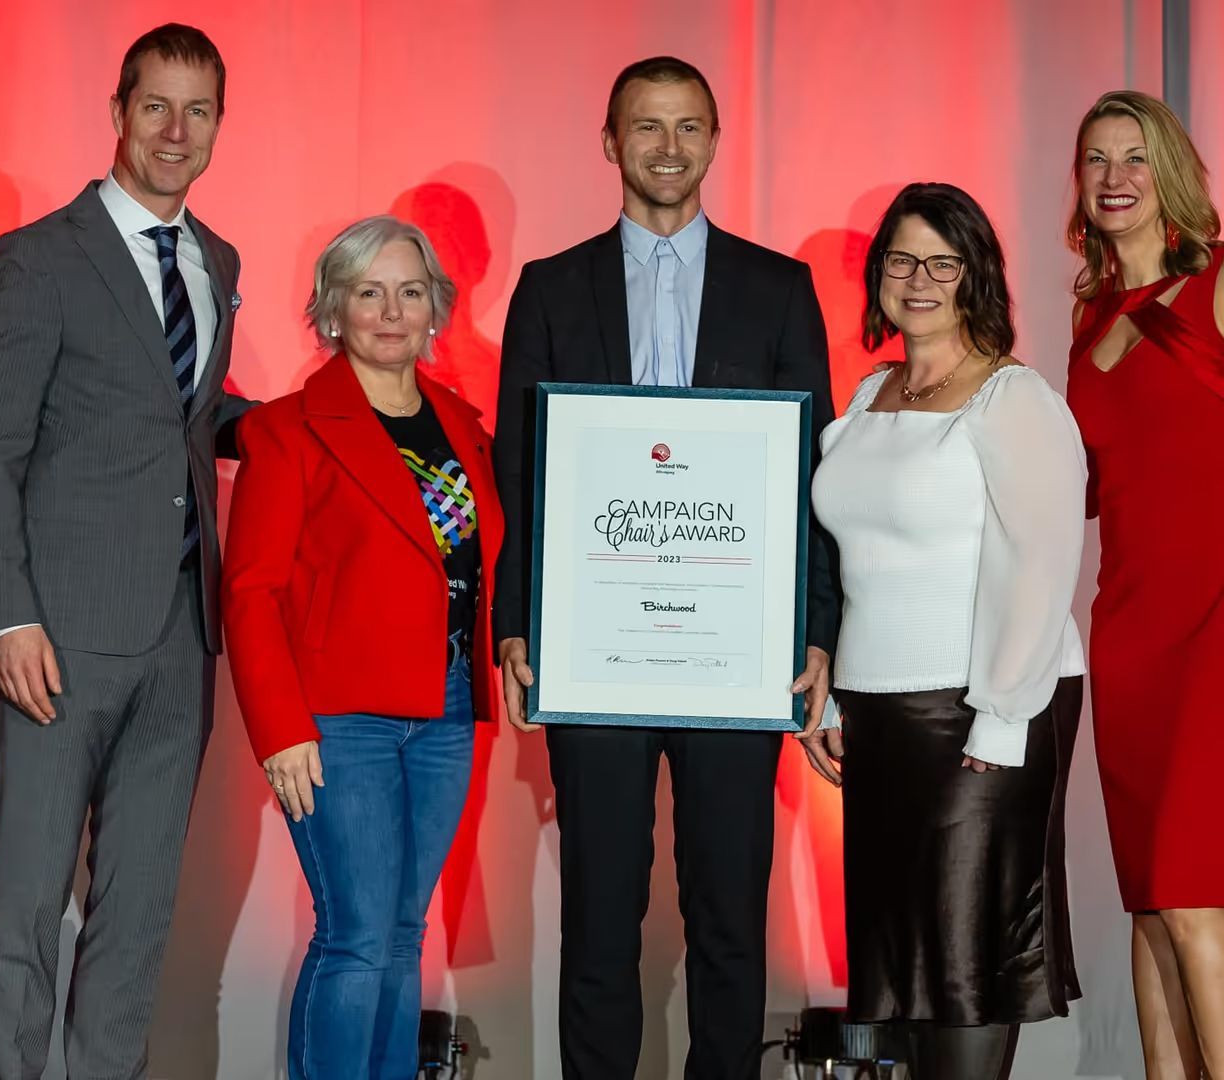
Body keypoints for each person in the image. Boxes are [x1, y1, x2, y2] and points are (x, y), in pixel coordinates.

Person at [492, 56, 839, 1079]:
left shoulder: (780, 291)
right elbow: (522, 472)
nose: (669, 148)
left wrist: (814, 630)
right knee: (599, 916)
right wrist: (519, 623)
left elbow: (809, 476)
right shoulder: (550, 289)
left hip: (736, 659)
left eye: (689, 127)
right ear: (610, 143)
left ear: (715, 142)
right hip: (595, 655)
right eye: (647, 127)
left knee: (731, 914)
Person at [0, 24, 250, 1077]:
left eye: (199, 110)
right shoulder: (37, 259)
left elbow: (185, 414)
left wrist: (303, 429)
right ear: (119, 111)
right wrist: (10, 614)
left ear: (220, 123)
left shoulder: (216, 260)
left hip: (182, 634)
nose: (176, 131)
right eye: (156, 106)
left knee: (139, 911)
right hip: (61, 634)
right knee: (28, 901)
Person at [800, 183, 1088, 1079]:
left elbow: (1043, 570)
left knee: (966, 964)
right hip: (882, 717)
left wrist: (1001, 721)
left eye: (940, 262)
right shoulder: (869, 393)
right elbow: (856, 568)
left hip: (983, 711)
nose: (916, 280)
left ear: (975, 277)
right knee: (907, 964)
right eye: (899, 260)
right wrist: (840, 697)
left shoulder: (1013, 398)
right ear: (877, 275)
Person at [1064, 90, 1224, 1080]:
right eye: (1097, 159)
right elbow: (1090, 485)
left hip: (1219, 631)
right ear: (1079, 185)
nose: (1117, 175)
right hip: (1125, 638)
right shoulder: (1090, 314)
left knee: (1191, 887)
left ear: (1170, 172)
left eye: (1136, 156)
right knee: (1149, 899)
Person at [222, 215, 503, 1079]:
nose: (391, 311)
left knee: (403, 934)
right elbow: (250, 591)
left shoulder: (462, 424)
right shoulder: (288, 430)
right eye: (368, 292)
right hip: (338, 722)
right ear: (332, 310)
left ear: (435, 312)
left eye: (409, 292)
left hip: (448, 711)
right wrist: (280, 730)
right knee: (355, 936)